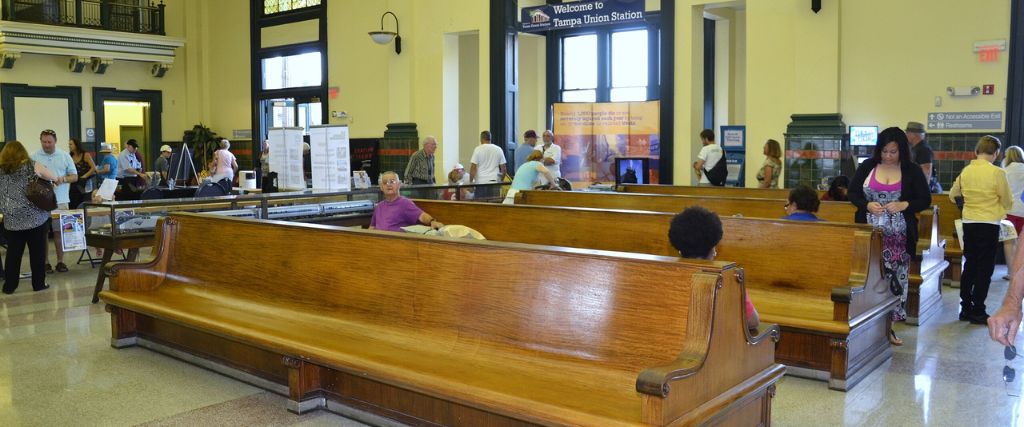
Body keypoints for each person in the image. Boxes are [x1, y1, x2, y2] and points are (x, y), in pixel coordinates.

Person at [848, 127, 931, 345]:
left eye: (893, 152)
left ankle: (889, 328)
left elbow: (925, 199)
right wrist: (866, 204)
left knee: (895, 282)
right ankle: (866, 326)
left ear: (902, 151)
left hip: (899, 238)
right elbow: (852, 193)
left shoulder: (912, 170)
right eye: (884, 151)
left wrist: (905, 204)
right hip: (869, 235)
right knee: (869, 281)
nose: (888, 156)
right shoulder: (868, 166)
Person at [949, 135, 1012, 325]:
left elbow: (953, 196)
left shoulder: (966, 171)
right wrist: (999, 210)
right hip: (989, 224)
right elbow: (1008, 201)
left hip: (968, 223)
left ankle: (965, 307)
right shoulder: (997, 173)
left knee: (970, 264)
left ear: (977, 152)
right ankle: (978, 310)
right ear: (996, 153)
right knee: (985, 268)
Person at [668, 206, 759, 331]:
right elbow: (753, 321)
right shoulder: (729, 279)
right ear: (713, 248)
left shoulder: (667, 273)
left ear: (679, 247)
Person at [0, 141, 58, 294]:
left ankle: (9, 287)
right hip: (35, 218)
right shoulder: (32, 165)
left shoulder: (1, 170)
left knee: (13, 254)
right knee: (37, 253)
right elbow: (54, 176)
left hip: (11, 219)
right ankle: (38, 284)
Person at [31, 129, 78, 274]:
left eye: (49, 142)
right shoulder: (33, 156)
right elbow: (29, 179)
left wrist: (62, 179)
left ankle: (60, 261)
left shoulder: (64, 156)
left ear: (55, 141)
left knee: (59, 232)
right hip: (40, 202)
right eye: (44, 142)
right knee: (42, 233)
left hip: (61, 200)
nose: (46, 145)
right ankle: (45, 262)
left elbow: (74, 176)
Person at [369, 171, 444, 232]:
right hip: (378, 243)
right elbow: (372, 228)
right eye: (385, 183)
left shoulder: (405, 203)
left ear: (399, 185)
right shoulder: (379, 206)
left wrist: (432, 221)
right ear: (381, 187)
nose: (389, 185)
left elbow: (421, 216)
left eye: (392, 182)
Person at [1004, 146, 1024, 280]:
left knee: (1009, 243)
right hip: (1023, 211)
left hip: (1008, 211)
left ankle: (1011, 273)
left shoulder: (1004, 171)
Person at [470, 131, 507, 200]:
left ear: (481, 139)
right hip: (494, 182)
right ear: (490, 138)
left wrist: (471, 182)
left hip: (481, 182)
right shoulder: (498, 149)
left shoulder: (478, 149)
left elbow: (473, 168)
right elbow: (504, 169)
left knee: (480, 206)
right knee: (493, 205)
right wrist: (500, 180)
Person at [906, 121, 940, 193]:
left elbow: (927, 172)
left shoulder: (923, 149)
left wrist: (922, 192)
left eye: (908, 133)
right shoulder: (916, 148)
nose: (906, 135)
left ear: (914, 134)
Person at [68, 137, 97, 209]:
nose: (69, 146)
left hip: (84, 182)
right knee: (73, 202)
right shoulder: (70, 156)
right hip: (74, 182)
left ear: (76, 145)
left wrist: (84, 176)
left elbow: (93, 168)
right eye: (69, 144)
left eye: (71, 144)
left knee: (83, 201)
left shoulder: (85, 155)